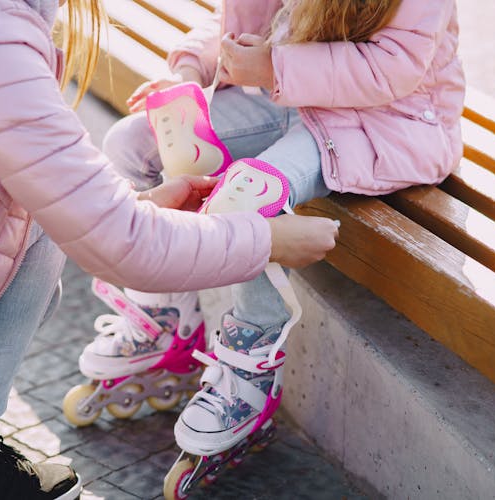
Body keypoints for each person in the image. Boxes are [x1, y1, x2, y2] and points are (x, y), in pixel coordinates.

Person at [0, 0, 342, 499]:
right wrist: (265, 238)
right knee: (35, 222)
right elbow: (115, 242)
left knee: (30, 204)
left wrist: (140, 202)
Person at [81, 0, 465, 465]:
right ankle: (167, 321)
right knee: (136, 143)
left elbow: (395, 65)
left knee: (251, 193)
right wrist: (192, 70)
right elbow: (247, 20)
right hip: (282, 98)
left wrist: (270, 64)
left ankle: (250, 367)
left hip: (380, 120)